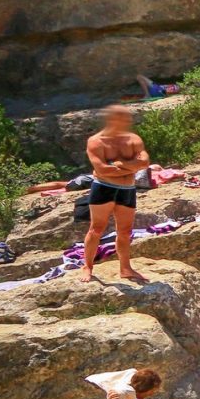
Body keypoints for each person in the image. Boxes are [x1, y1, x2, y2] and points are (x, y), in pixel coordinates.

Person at [81, 106, 151, 283]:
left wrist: (119, 164)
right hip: (104, 188)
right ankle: (87, 266)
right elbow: (101, 169)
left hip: (127, 190)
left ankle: (125, 268)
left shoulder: (133, 139)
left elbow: (144, 162)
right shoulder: (96, 141)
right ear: (112, 119)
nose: (127, 121)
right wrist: (129, 167)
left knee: (125, 231)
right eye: (123, 118)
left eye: (127, 118)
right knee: (96, 228)